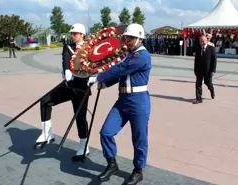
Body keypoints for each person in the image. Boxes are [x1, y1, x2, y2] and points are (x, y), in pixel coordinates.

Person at [87, 23, 151, 185]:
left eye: (129, 38)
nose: (126, 40)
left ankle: (138, 170)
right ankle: (112, 164)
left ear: (139, 38)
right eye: (126, 37)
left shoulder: (141, 56)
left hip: (138, 102)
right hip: (123, 101)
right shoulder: (129, 55)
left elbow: (122, 69)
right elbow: (119, 75)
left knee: (139, 138)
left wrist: (99, 77)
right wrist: (105, 83)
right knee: (106, 132)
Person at [33, 23, 91, 162]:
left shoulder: (89, 49)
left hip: (82, 88)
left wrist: (94, 76)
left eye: (75, 33)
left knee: (80, 117)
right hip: (68, 85)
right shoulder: (68, 47)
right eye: (72, 33)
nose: (73, 35)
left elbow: (95, 64)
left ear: (82, 34)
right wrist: (66, 70)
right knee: (45, 100)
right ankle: (47, 134)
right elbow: (65, 60)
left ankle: (84, 145)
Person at [193, 35, 217, 104]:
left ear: (207, 41)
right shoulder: (198, 48)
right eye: (200, 41)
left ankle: (212, 90)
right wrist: (195, 70)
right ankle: (199, 98)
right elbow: (196, 60)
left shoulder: (211, 48)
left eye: (203, 41)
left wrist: (213, 70)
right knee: (198, 84)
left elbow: (214, 60)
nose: (201, 42)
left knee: (208, 83)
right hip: (199, 70)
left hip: (208, 70)